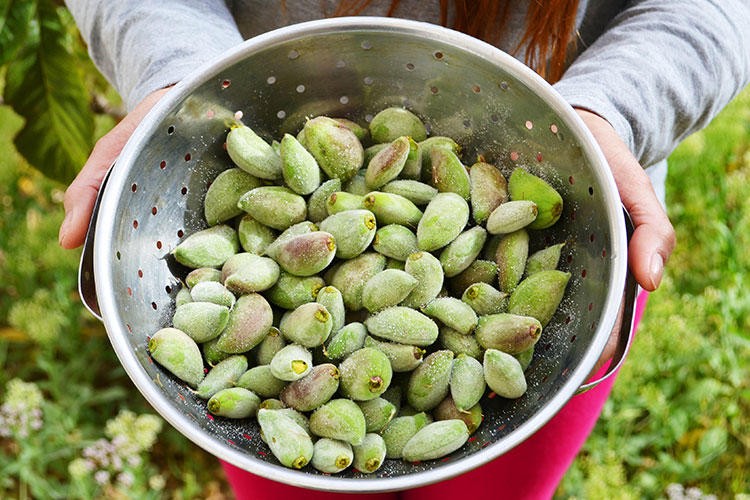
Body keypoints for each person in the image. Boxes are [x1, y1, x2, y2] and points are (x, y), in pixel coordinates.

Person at [59, 1, 750, 498]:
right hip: (256, 107)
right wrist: (177, 75)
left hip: (582, 195)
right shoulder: (300, 295)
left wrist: (610, 110)